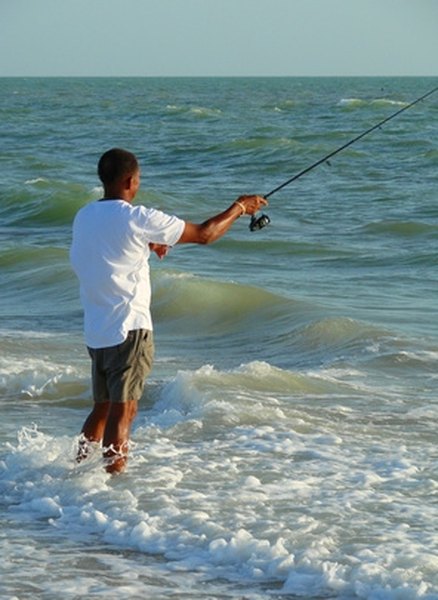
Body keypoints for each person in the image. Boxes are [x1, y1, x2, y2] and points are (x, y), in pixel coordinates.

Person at [70, 148, 267, 474]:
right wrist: (240, 207)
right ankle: (113, 482)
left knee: (101, 408)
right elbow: (205, 234)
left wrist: (147, 243)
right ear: (131, 181)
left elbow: (108, 246)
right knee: (125, 410)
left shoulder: (85, 216)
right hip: (129, 328)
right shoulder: (137, 217)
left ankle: (75, 471)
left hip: (97, 328)